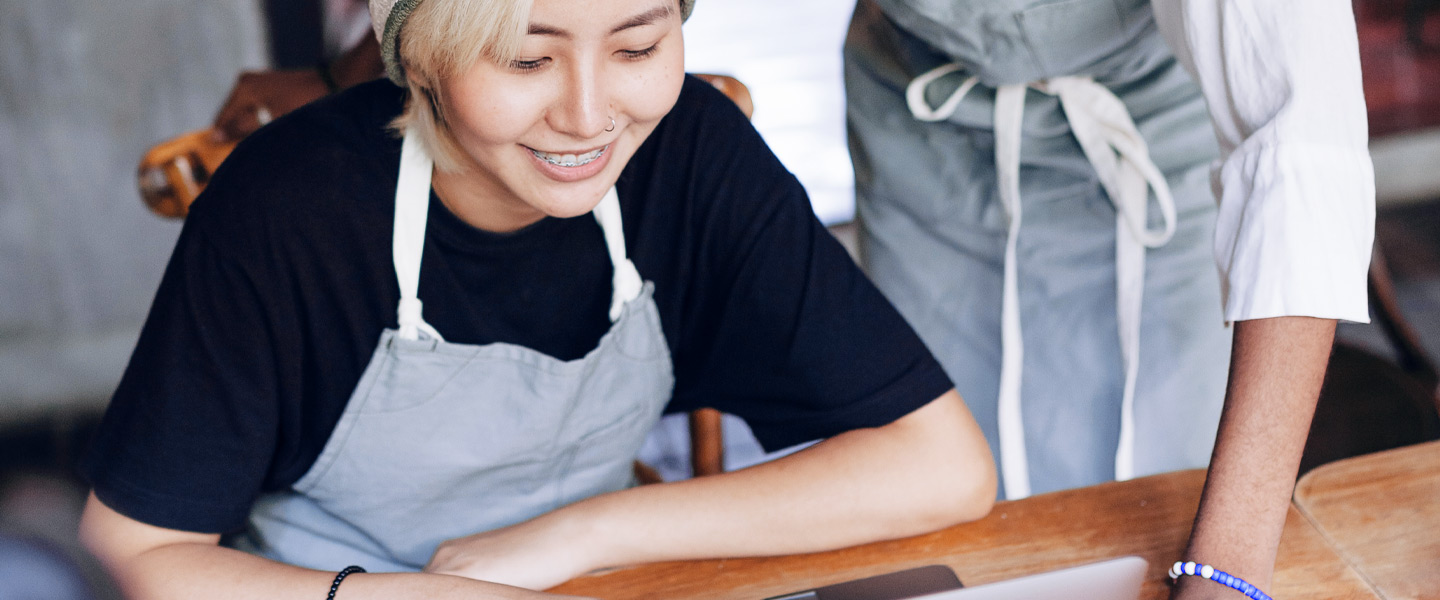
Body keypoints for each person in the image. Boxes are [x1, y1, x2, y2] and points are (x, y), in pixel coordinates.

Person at [76, 0, 998, 598]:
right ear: (422, 57)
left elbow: (942, 467)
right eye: (526, 62)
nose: (589, 114)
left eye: (638, 45)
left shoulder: (688, 156)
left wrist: (576, 535)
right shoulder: (289, 207)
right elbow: (136, 552)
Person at [843, 0, 1373, 597]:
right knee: (939, 529)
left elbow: (1301, 143)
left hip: (1151, 131)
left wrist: (1227, 574)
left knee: (1159, 494)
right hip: (919, 134)